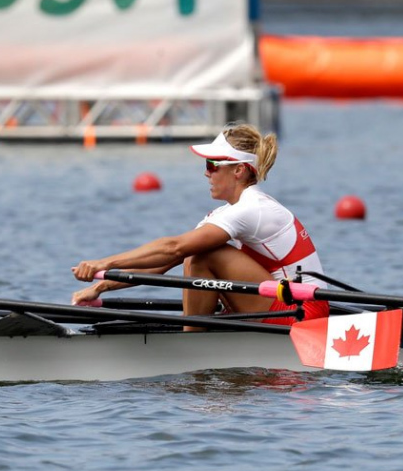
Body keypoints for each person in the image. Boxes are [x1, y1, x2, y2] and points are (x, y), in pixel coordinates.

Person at [71, 123, 329, 327]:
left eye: (212, 165)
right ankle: (197, 336)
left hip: (302, 314)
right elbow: (163, 263)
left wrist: (104, 264)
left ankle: (191, 342)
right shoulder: (224, 214)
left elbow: (173, 247)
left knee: (201, 252)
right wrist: (100, 286)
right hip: (280, 306)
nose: (206, 173)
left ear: (238, 170)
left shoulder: (253, 208)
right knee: (193, 253)